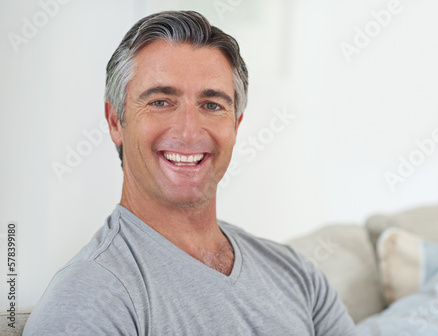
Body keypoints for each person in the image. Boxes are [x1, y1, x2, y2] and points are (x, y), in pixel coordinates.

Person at [24, 11, 358, 335]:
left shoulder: (298, 275)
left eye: (212, 105)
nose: (188, 131)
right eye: (160, 101)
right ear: (116, 122)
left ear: (236, 125)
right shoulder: (91, 298)